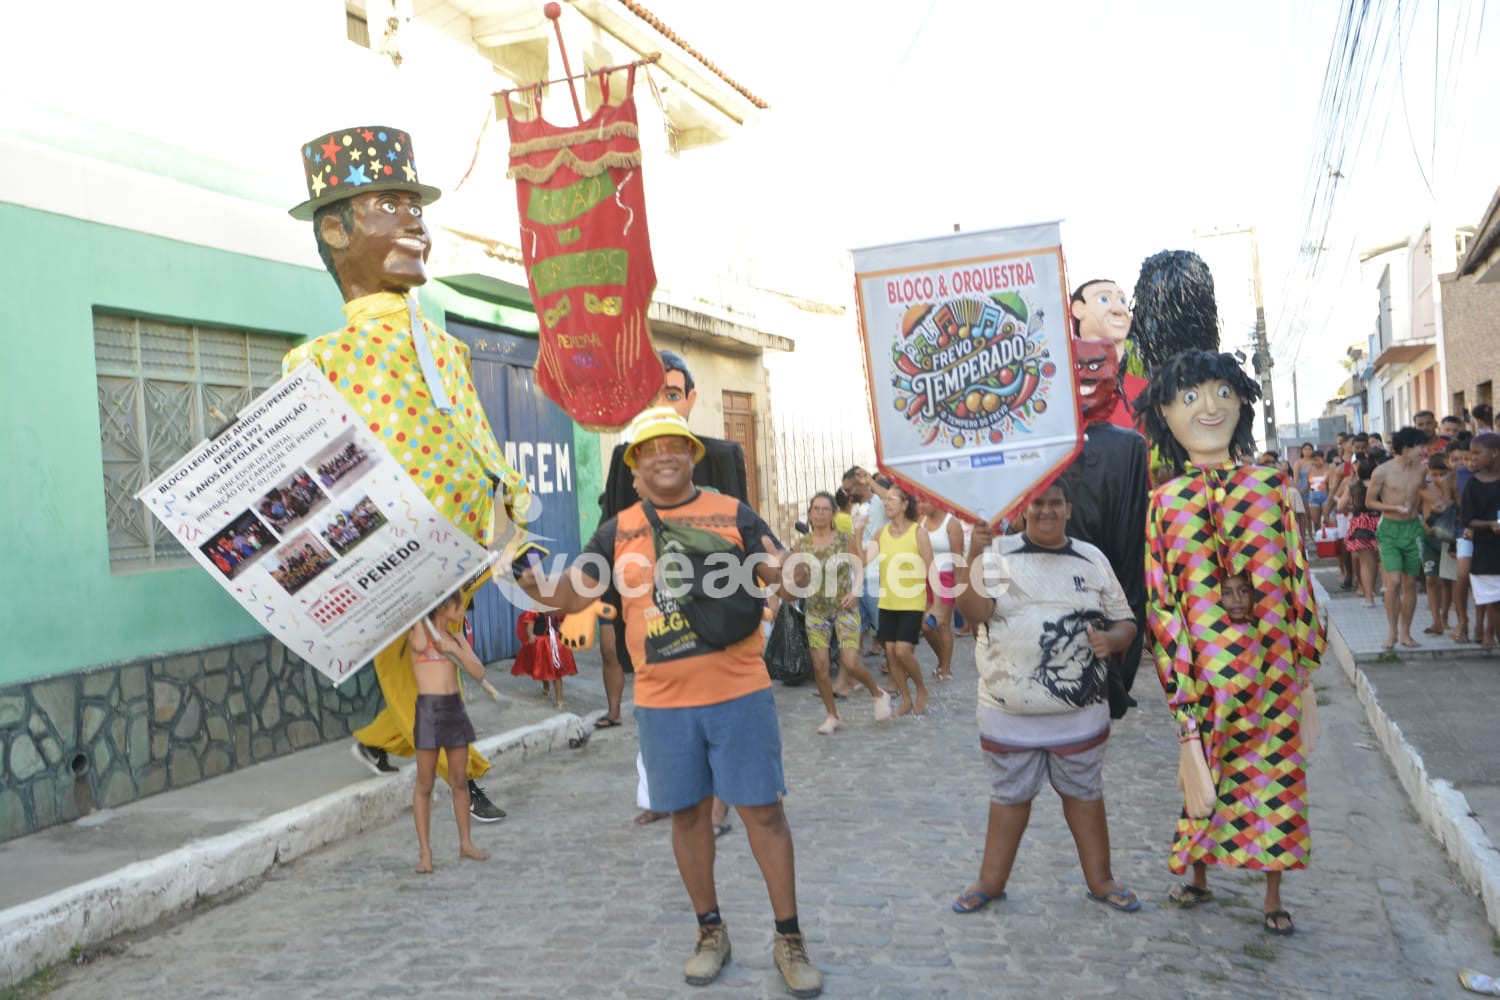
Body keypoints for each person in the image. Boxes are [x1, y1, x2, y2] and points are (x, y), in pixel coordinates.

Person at [514, 406, 823, 997]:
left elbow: (781, 574)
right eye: (649, 449)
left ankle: (790, 938)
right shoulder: (616, 531)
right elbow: (568, 595)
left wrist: (793, 570)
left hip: (739, 694)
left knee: (764, 813)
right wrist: (531, 578)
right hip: (662, 704)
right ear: (634, 468)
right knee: (686, 816)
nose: (662, 456)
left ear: (691, 456)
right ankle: (710, 932)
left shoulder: (733, 513)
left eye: (673, 445)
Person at [283, 125, 527, 823]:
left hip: (459, 544)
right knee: (423, 664)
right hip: (383, 552)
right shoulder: (318, 361)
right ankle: (464, 773)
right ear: (335, 230)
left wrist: (511, 504)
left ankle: (377, 740)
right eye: (388, 207)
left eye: (415, 207)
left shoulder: (444, 347)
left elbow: (475, 432)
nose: (413, 221)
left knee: (427, 662)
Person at [1138, 350, 1323, 937]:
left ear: (1241, 402)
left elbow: (1296, 575)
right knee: (1205, 771)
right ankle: (1198, 874)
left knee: (1277, 779)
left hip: (1272, 665)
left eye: (1222, 392)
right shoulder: (1166, 503)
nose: (1209, 408)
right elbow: (1162, 601)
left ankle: (1273, 894)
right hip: (1206, 670)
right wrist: (1180, 692)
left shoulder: (1271, 487)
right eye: (1190, 397)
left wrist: (1305, 667)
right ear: (1166, 413)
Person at [950, 480, 1141, 915]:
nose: (1047, 511)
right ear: (1023, 510)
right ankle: (989, 882)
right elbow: (974, 612)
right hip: (1007, 711)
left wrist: (1112, 640)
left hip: (1080, 715)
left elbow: (1125, 621)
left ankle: (1101, 880)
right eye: (1038, 504)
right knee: (1009, 797)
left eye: (1056, 503)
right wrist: (974, 553)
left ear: (1069, 509)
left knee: (1084, 795)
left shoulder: (1093, 559)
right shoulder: (995, 553)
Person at [594, 349, 749, 731]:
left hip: (712, 607)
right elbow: (610, 529)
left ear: (691, 399)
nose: (662, 405)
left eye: (672, 394)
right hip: (648, 610)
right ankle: (619, 711)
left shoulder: (722, 455)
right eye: (650, 397)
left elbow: (744, 535)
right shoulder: (624, 459)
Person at [1061, 339, 1151, 705]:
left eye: (1095, 366)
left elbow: (1134, 519)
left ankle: (1112, 681)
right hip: (1067, 557)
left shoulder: (1130, 446)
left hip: (1115, 555)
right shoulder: (1058, 445)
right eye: (1077, 366)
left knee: (1120, 601)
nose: (1085, 374)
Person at [407, 591, 494, 873]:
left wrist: (454, 649)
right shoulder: (418, 634)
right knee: (425, 784)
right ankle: (425, 852)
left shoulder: (456, 639)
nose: (462, 609)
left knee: (459, 779)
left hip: (454, 709)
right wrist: (420, 615)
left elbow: (479, 673)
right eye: (457, 604)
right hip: (428, 712)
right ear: (444, 606)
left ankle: (466, 843)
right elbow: (420, 644)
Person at [792, 492, 892, 732]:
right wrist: (797, 579)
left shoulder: (844, 539)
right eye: (816, 509)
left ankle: (877, 693)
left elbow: (858, 568)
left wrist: (855, 592)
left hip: (845, 608)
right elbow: (799, 578)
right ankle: (832, 715)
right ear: (810, 513)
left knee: (850, 662)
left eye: (825, 509)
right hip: (816, 611)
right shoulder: (802, 544)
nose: (820, 513)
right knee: (820, 667)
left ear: (833, 513)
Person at [853, 485, 932, 717]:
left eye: (891, 499)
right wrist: (858, 532)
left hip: (912, 601)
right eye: (885, 500)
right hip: (887, 602)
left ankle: (921, 689)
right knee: (891, 654)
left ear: (905, 504)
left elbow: (931, 569)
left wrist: (934, 606)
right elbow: (862, 560)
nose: (886, 503)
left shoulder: (918, 533)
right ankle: (906, 700)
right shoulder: (881, 533)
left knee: (903, 652)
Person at [1368, 427, 1431, 651]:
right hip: (1389, 529)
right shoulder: (1382, 471)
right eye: (1420, 446)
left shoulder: (1421, 469)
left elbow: (1424, 493)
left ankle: (1406, 633)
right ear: (1405, 447)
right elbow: (1370, 501)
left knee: (1410, 582)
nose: (1423, 450)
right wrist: (1393, 507)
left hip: (1413, 529)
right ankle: (1392, 632)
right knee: (1393, 582)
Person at [1069, 279, 1148, 428]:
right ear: (1078, 309)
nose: (1119, 309)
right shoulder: (1067, 389)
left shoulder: (1144, 389)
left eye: (1122, 300)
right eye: (1103, 299)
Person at [841, 466, 890, 658]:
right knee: (854, 631)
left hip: (877, 576)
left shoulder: (880, 503)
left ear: (860, 484)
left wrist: (870, 481)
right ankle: (851, 669)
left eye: (849, 489)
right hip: (857, 578)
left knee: (885, 631)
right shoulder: (855, 508)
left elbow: (891, 498)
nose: (847, 494)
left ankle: (895, 666)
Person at [1460, 433, 1500, 650]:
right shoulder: (1473, 484)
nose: (1473, 458)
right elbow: (1468, 520)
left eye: (1477, 453)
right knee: (1494, 603)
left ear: (1494, 453)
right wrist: (1491, 524)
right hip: (1486, 553)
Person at [917, 497, 964, 683]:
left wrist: (958, 587)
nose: (920, 505)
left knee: (941, 624)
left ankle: (946, 667)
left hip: (946, 577)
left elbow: (958, 557)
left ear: (936, 500)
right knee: (925, 627)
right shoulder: (921, 521)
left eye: (923, 501)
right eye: (918, 502)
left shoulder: (952, 523)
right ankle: (941, 659)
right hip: (925, 577)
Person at [510, 610, 577, 711]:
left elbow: (563, 620)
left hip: (555, 644)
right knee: (543, 669)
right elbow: (530, 624)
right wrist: (530, 634)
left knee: (556, 672)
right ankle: (546, 689)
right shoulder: (534, 612)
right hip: (541, 644)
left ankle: (559, 700)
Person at [1419, 453, 1455, 636]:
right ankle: (1436, 621)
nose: (1439, 478)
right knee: (1431, 579)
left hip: (1447, 540)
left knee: (1446, 580)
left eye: (1443, 473)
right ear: (1429, 472)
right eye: (1435, 474)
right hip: (1429, 538)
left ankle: (1444, 616)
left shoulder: (1454, 490)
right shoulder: (1425, 491)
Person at [1345, 459, 1381, 607]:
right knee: (1381, 560)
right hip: (1381, 522)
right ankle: (1383, 589)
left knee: (1365, 564)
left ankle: (1368, 598)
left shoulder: (1353, 487)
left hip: (1361, 524)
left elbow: (1340, 506)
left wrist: (1354, 508)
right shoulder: (1380, 486)